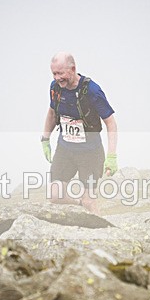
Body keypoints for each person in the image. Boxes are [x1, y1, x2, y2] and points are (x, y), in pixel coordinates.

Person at [40, 52, 117, 214]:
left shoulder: (92, 91)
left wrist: (112, 156)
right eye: (54, 73)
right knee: (55, 196)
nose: (57, 78)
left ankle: (101, 233)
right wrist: (45, 139)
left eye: (60, 73)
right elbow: (52, 113)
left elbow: (110, 122)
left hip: (90, 153)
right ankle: (79, 207)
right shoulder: (55, 88)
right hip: (65, 150)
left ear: (73, 69)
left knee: (89, 201)